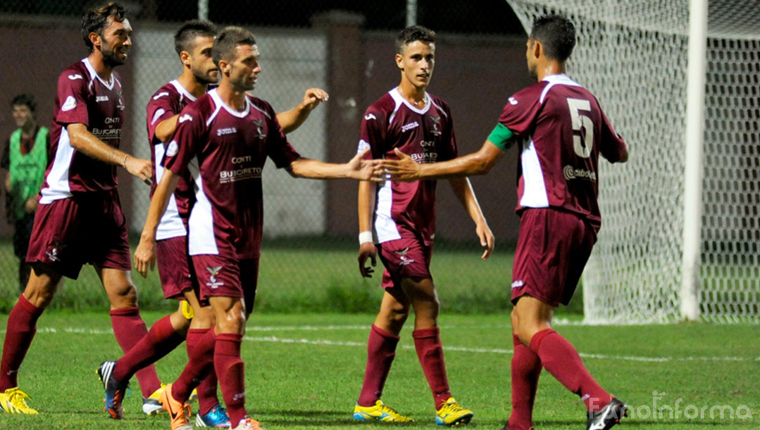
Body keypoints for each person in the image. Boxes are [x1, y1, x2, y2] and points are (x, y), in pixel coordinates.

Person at [378, 15, 630, 430]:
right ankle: (519, 422)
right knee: (522, 322)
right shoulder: (587, 99)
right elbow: (618, 153)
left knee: (531, 324)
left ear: (535, 48)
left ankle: (597, 399)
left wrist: (418, 172)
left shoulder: (529, 98)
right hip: (584, 222)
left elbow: (482, 161)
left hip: (547, 217)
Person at [132, 26, 376, 430]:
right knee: (230, 320)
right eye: (249, 61)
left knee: (227, 326)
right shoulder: (199, 114)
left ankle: (178, 393)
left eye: (257, 59)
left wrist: (345, 171)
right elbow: (169, 177)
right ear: (225, 66)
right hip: (211, 234)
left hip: (249, 237)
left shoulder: (261, 113)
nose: (258, 67)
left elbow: (293, 164)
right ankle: (237, 419)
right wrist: (146, 237)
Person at [0, 2, 156, 415]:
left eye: (128, 33)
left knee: (124, 293)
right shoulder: (73, 78)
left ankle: (152, 391)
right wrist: (128, 161)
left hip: (104, 203)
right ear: (96, 38)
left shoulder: (116, 84)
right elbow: (79, 135)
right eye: (120, 33)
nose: (127, 40)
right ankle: (4, 387)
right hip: (66, 201)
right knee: (40, 291)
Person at [353, 25, 494, 426]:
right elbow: (366, 176)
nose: (424, 64)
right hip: (393, 226)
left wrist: (479, 219)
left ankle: (367, 403)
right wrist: (366, 236)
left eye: (429, 57)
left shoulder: (441, 111)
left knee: (395, 311)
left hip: (421, 227)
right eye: (416, 57)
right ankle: (445, 403)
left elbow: (454, 171)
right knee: (428, 304)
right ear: (399, 60)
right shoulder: (381, 112)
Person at [2, 94, 49, 293]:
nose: (18, 115)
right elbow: (8, 169)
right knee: (23, 254)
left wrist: (39, 197)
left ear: (32, 113)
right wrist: (9, 183)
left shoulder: (45, 137)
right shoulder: (12, 140)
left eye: (23, 110)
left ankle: (45, 293)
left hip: (42, 205)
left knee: (43, 254)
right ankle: (24, 294)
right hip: (21, 206)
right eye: (16, 110)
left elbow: (55, 170)